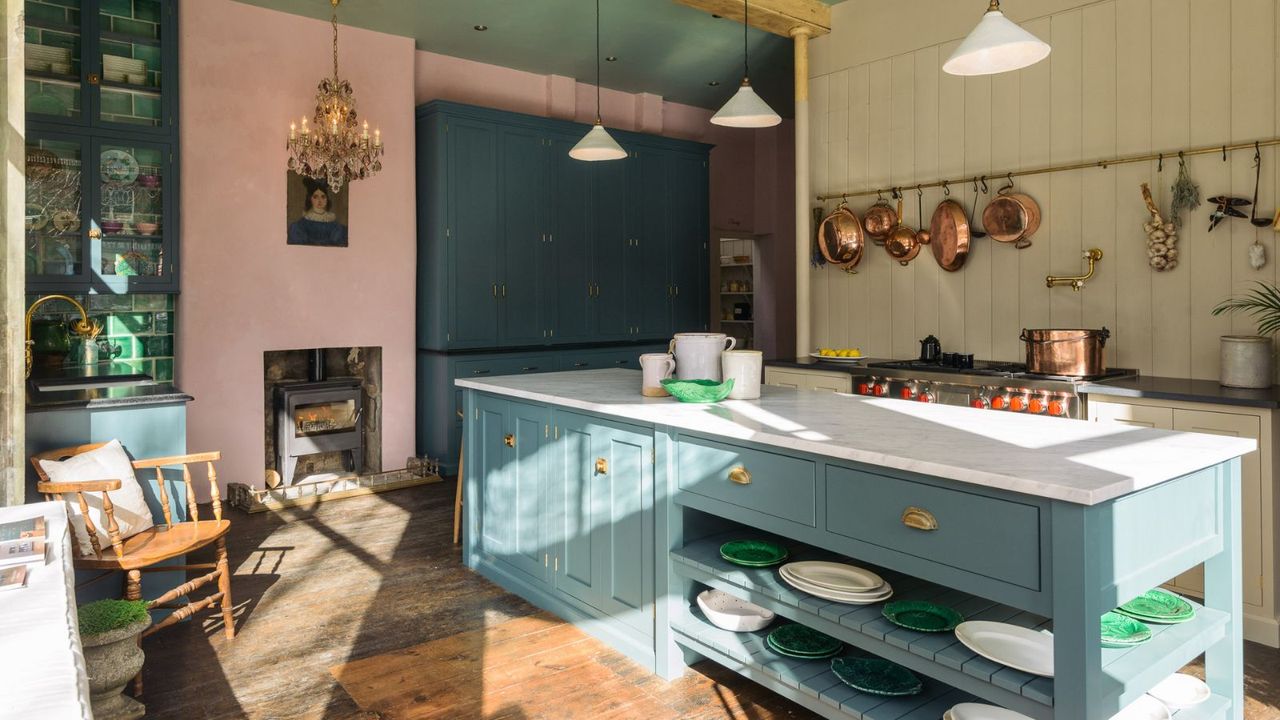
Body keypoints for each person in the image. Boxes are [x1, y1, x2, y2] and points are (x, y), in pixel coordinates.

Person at [287, 178, 348, 246]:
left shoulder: (336, 226)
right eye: (315, 197)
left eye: (323, 197)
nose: (320, 200)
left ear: (327, 199)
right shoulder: (299, 226)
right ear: (310, 199)